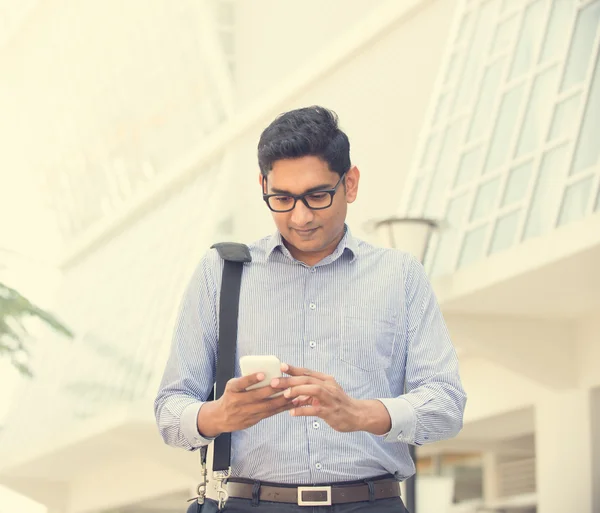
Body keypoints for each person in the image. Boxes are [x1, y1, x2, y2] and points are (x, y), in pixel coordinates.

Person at [154, 106, 467, 512]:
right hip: (254, 503)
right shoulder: (221, 273)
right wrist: (220, 415)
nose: (300, 217)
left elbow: (446, 405)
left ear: (350, 184)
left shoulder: (400, 275)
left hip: (372, 503)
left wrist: (359, 413)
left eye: (317, 196)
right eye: (282, 198)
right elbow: (169, 410)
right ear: (263, 185)